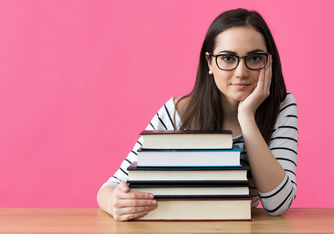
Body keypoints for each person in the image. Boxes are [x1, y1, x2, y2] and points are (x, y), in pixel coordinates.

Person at [97, 8, 298, 221]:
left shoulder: (282, 106)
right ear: (210, 63)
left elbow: (278, 204)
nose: (241, 72)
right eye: (228, 58)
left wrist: (246, 116)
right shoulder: (179, 111)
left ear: (269, 61)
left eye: (255, 58)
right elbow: (109, 187)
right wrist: (115, 203)